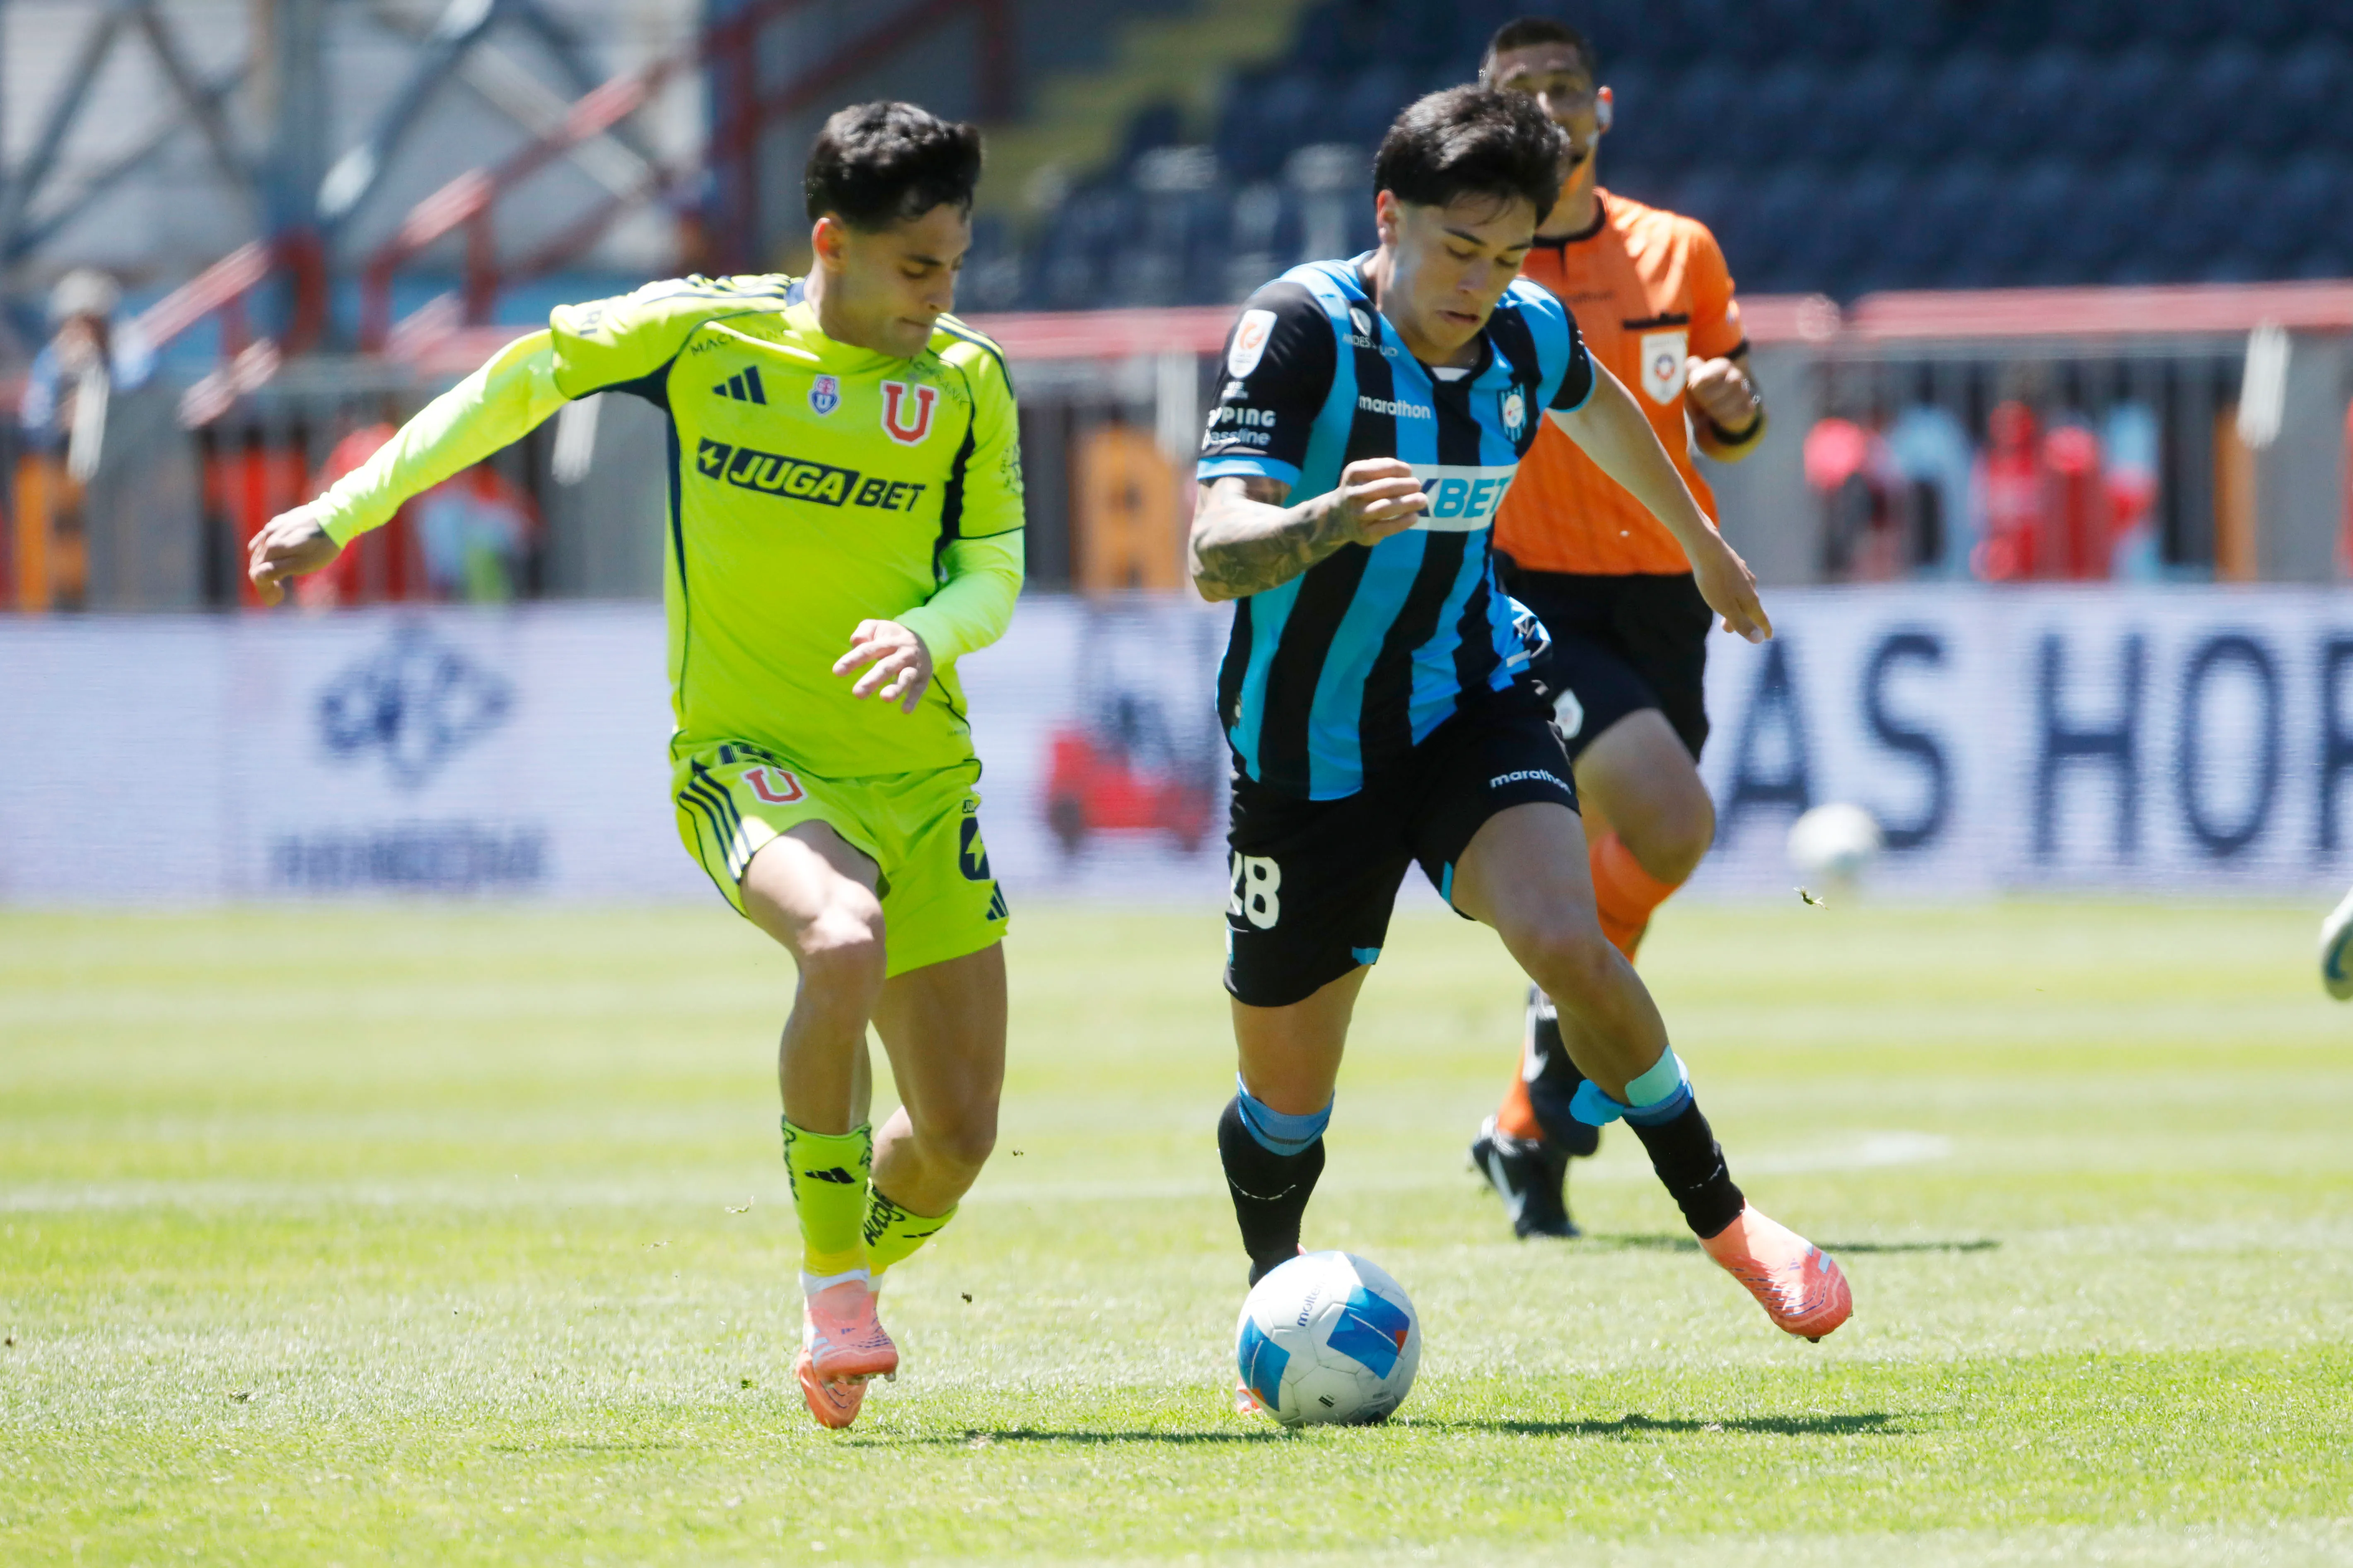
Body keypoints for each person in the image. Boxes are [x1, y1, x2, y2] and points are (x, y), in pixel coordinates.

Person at [244, 102, 1024, 1430]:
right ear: (832, 243)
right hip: (750, 760)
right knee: (841, 943)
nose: (941, 297)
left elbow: (996, 567)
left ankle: (839, 1256)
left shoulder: (965, 380)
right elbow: (513, 387)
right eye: (917, 268)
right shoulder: (699, 332)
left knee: (954, 1139)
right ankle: (839, 1297)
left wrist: (926, 629)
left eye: (955, 265)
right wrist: (341, 508)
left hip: (921, 778)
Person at [1192, 85, 1849, 1412]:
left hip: (1470, 699)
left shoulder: (1522, 328)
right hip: (1307, 750)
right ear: (1391, 218)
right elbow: (1214, 551)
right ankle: (1280, 1287)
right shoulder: (1303, 328)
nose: (1483, 287)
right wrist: (1322, 523)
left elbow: (1604, 406)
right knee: (1284, 1103)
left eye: (1507, 259)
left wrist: (1700, 544)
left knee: (1567, 936)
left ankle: (1731, 1226)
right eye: (1458, 253)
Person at [1466, 17, 1775, 1239]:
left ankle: (1530, 1117)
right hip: (1530, 592)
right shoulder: (1477, 264)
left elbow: (1733, 422)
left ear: (1600, 106)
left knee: (1649, 857)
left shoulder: (1675, 250)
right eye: (1518, 92)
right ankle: (1553, 1068)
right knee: (1672, 816)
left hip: (1664, 596)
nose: (1546, 108)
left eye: (1561, 89)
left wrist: (1731, 406)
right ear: (1488, 110)